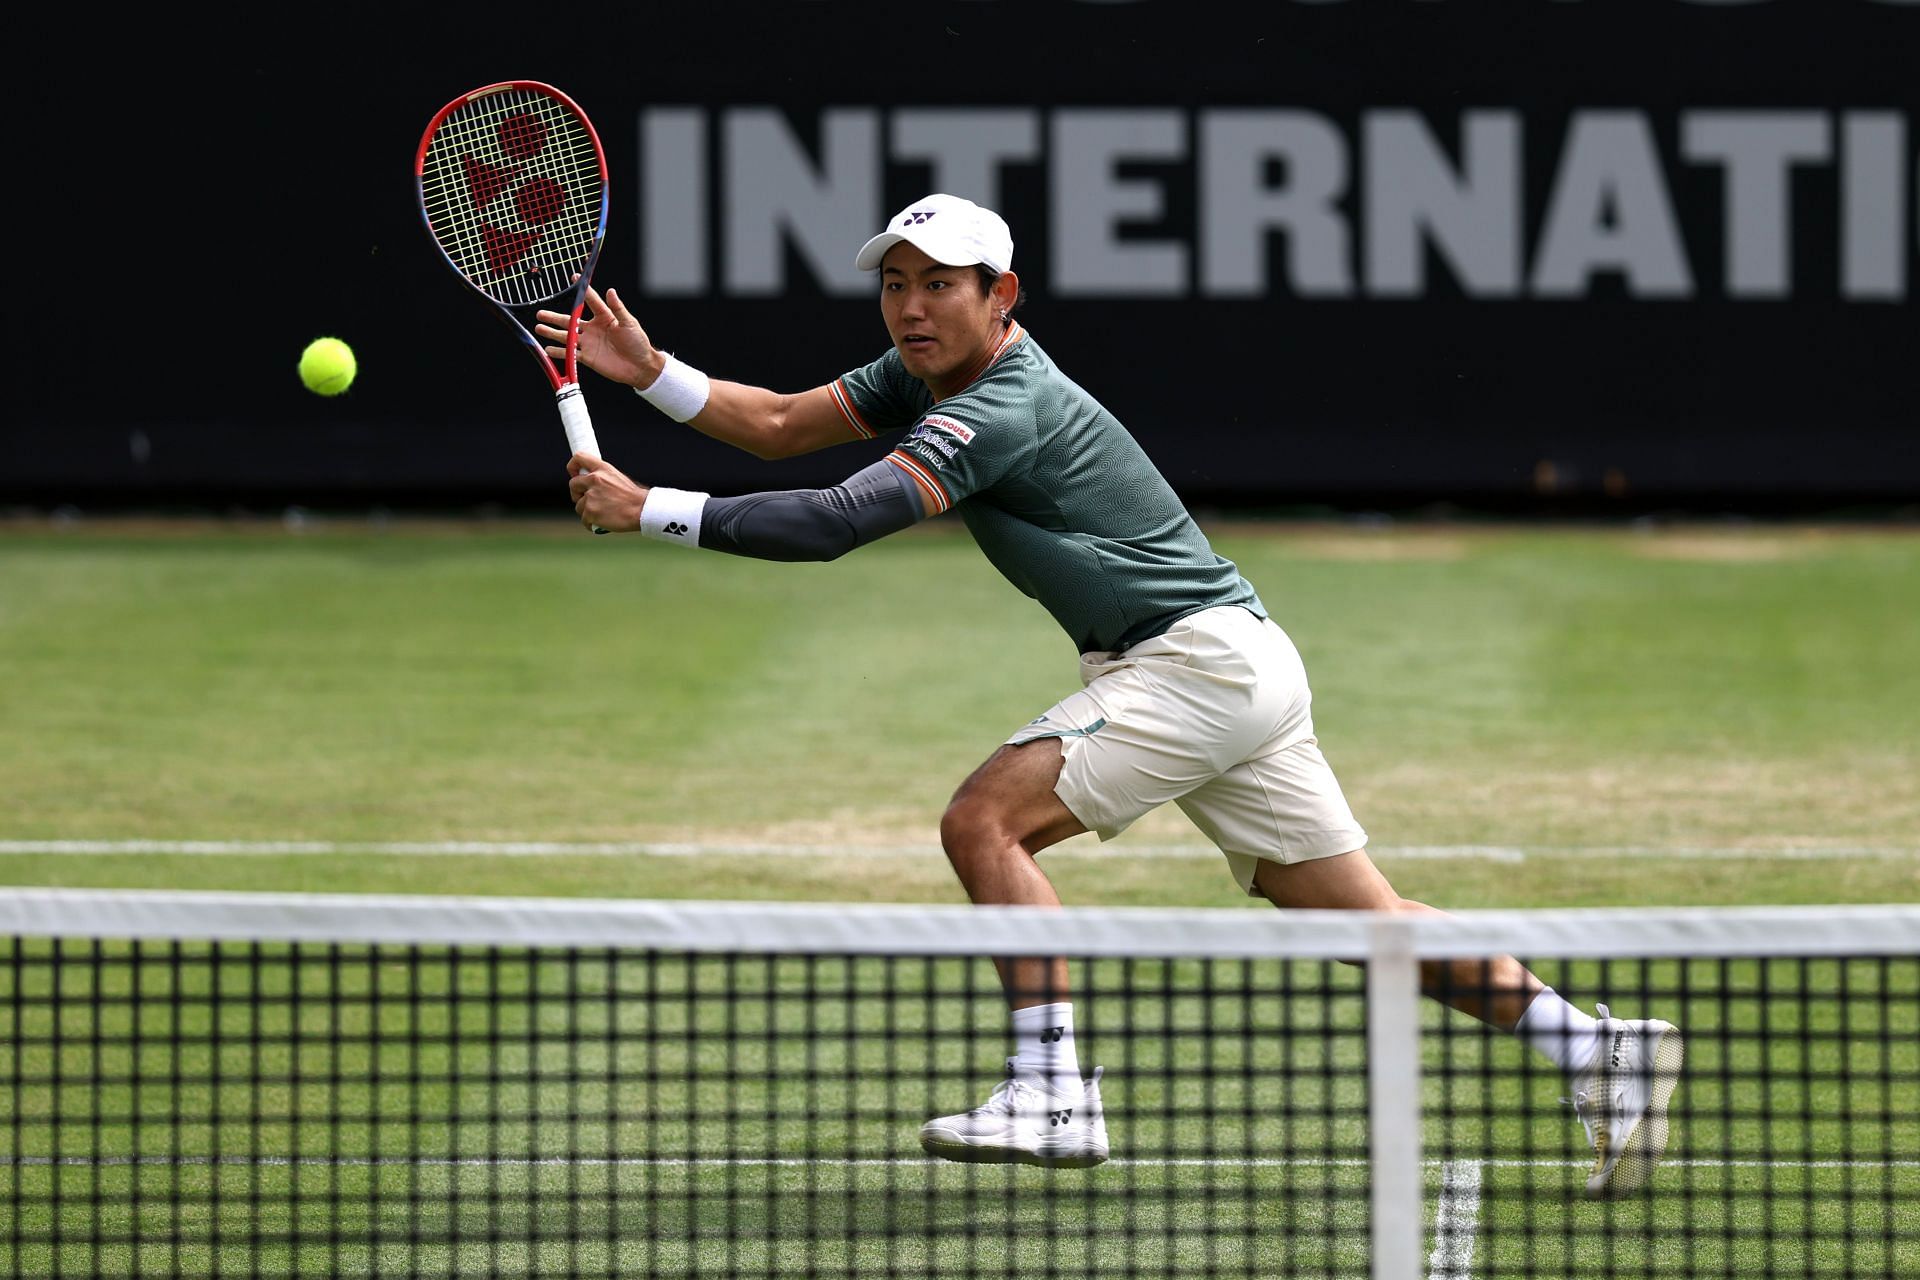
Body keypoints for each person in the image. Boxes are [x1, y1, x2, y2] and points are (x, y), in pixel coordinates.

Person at [536, 193, 1682, 1197]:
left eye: (939, 284)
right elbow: (784, 423)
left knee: (984, 820)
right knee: (1361, 921)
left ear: (1002, 295)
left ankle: (1052, 1088)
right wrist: (658, 377)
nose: (911, 306)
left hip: (1191, 663)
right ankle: (1595, 1048)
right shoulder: (933, 369)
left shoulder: (999, 404)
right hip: (1237, 660)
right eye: (895, 284)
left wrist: (655, 510)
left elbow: (835, 521)